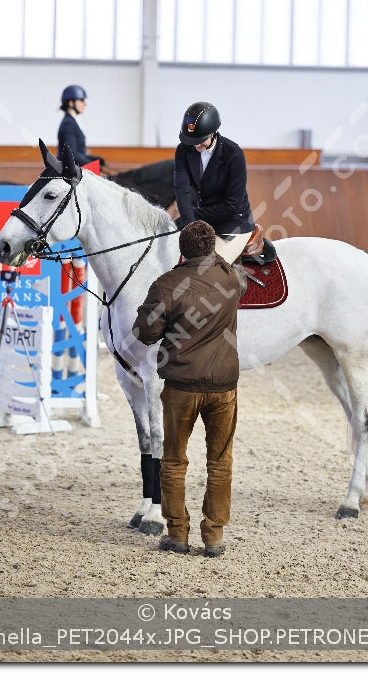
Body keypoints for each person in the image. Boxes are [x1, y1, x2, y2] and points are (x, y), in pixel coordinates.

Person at [132, 220, 242, 558]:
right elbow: (225, 258)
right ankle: (214, 538)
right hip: (224, 386)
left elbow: (145, 333)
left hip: (181, 386)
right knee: (220, 462)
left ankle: (177, 534)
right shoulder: (230, 278)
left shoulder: (167, 283)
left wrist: (146, 310)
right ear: (212, 249)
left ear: (181, 250)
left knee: (174, 461)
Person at [174, 101, 256, 264]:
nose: (196, 144)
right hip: (200, 220)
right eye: (192, 140)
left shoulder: (234, 154)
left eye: (201, 140)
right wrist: (188, 221)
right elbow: (181, 188)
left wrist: (193, 216)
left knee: (206, 268)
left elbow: (231, 205)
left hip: (233, 223)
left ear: (214, 132)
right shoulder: (184, 149)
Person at [58, 85, 98, 168]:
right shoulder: (68, 124)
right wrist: (94, 166)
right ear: (71, 103)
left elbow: (78, 153)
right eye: (81, 100)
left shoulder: (72, 121)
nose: (85, 104)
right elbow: (72, 155)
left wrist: (95, 160)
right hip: (67, 171)